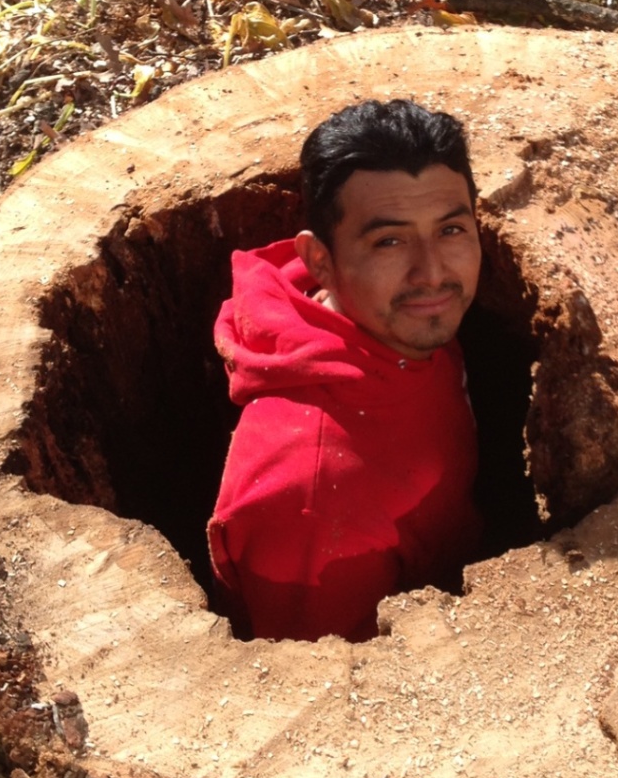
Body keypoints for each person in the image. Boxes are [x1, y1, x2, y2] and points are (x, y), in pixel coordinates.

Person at [207, 98, 483, 642]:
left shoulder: (401, 320)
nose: (432, 273)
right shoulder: (309, 493)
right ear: (319, 261)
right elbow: (333, 686)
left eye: (451, 231)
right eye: (390, 241)